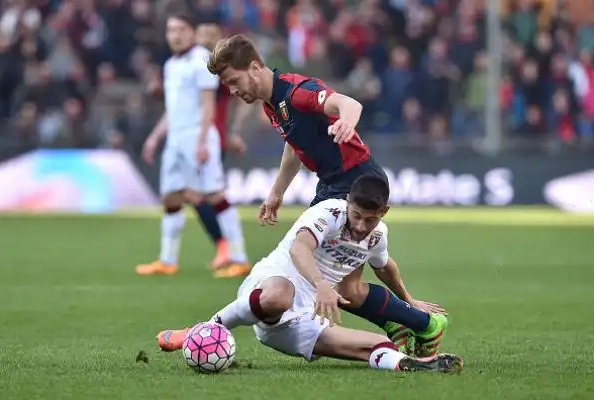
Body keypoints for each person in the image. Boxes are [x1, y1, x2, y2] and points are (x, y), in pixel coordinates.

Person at [205, 34, 445, 355]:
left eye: (234, 82)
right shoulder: (273, 104)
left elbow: (349, 103)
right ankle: (405, 321)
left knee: (320, 270)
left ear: (253, 67)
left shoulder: (297, 93)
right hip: (332, 184)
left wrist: (346, 123)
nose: (233, 91)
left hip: (356, 181)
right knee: (349, 287)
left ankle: (421, 323)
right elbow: (295, 144)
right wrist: (277, 192)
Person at [156, 176, 463, 373]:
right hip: (272, 284)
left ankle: (413, 365)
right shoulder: (328, 212)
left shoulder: (377, 235)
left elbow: (385, 266)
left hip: (302, 319)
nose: (359, 225)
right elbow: (299, 249)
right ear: (348, 205)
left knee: (378, 345)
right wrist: (321, 285)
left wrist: (408, 301)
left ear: (383, 213)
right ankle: (206, 327)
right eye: (356, 215)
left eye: (369, 219)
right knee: (280, 294)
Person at [135, 14, 250, 277]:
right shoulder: (170, 65)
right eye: (170, 29)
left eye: (180, 29)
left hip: (197, 136)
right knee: (171, 197)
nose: (175, 34)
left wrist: (202, 141)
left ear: (191, 31)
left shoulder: (201, 60)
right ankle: (167, 260)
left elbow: (208, 104)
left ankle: (240, 258)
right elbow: (173, 110)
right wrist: (155, 138)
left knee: (215, 195)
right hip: (175, 139)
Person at [194, 21, 257, 278]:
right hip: (196, 140)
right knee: (194, 196)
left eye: (209, 35)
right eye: (201, 34)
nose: (203, 39)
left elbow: (245, 99)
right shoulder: (195, 69)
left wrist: (234, 132)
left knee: (210, 195)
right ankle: (225, 248)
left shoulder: (217, 73)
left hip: (211, 140)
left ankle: (234, 253)